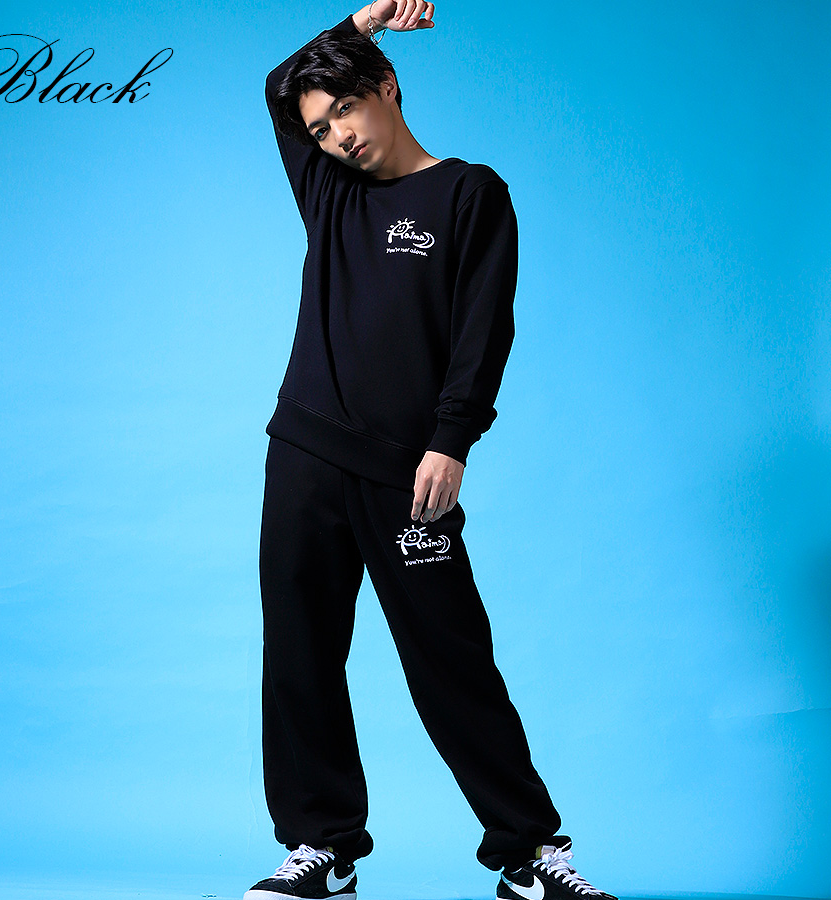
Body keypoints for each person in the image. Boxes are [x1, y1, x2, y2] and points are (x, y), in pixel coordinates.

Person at [244, 3, 618, 900]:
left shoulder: (469, 194)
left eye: (344, 110)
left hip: (408, 473)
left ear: (387, 87)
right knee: (299, 656)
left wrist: (451, 443)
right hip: (303, 457)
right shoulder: (327, 190)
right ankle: (324, 849)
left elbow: (484, 333)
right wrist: (357, 19)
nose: (336, 137)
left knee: (451, 661)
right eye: (319, 129)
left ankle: (530, 851)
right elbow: (276, 87)